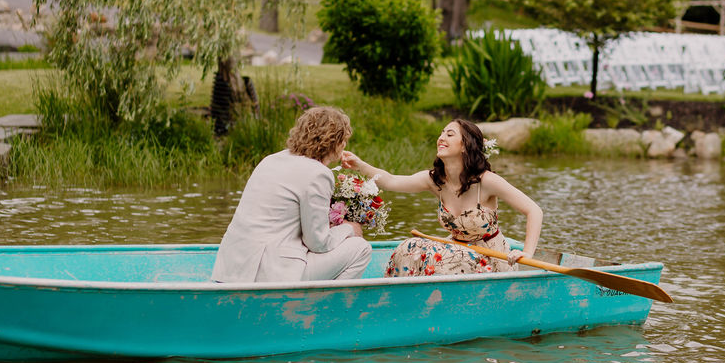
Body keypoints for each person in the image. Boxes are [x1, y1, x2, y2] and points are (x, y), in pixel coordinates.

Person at [341, 118, 542, 276]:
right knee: (408, 247)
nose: (441, 138)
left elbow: (534, 210)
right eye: (441, 133)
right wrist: (360, 165)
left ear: (465, 146)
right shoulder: (435, 180)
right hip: (456, 251)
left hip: (489, 258)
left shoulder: (486, 181)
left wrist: (527, 252)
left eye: (449, 134)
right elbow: (391, 181)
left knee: (439, 258)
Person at [211, 106, 371, 283]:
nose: (345, 144)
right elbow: (318, 243)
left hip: (230, 268)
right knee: (361, 248)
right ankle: (328, 302)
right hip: (271, 272)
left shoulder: (270, 160)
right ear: (335, 142)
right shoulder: (319, 174)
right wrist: (349, 228)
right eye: (344, 140)